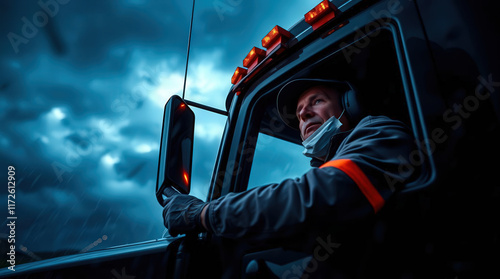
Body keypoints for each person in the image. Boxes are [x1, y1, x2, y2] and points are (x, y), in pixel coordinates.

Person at [162, 78, 420, 242]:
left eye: (316, 101)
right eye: (298, 114)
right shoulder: (326, 169)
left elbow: (318, 195)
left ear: (348, 105)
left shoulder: (382, 133)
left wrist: (205, 213)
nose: (305, 114)